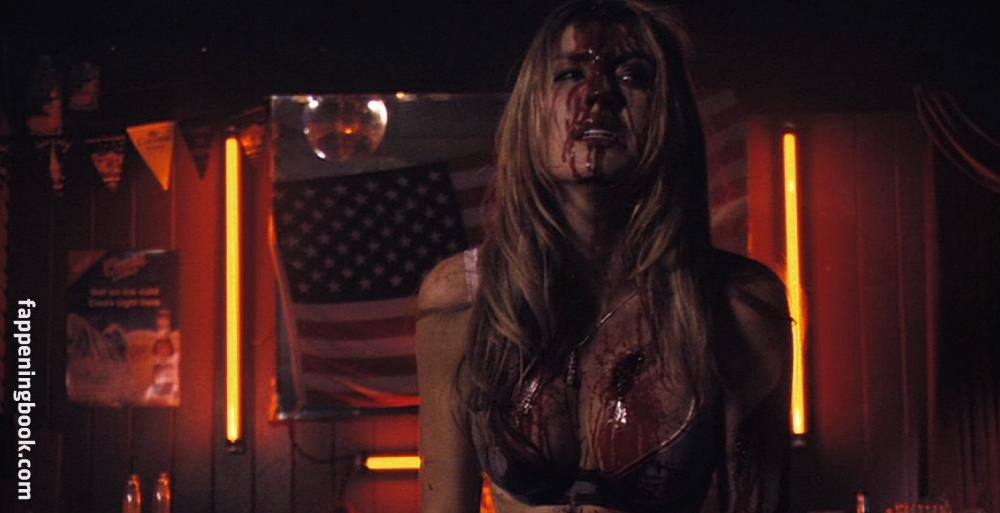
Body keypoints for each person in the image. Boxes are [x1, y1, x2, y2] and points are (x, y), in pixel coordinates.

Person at [415, 1, 791, 512]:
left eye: (633, 76)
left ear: (669, 116)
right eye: (570, 73)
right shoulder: (464, 297)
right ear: (532, 111)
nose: (597, 95)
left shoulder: (737, 307)